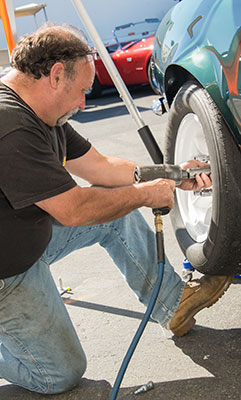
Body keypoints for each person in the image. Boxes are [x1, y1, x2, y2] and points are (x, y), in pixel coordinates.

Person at [0, 23, 232, 395]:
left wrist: (172, 175)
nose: (83, 104)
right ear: (56, 75)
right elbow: (73, 210)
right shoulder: (9, 124)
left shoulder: (45, 111)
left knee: (114, 209)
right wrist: (145, 194)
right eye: (81, 92)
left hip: (29, 235)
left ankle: (172, 306)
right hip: (6, 274)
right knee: (61, 374)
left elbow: (102, 168)